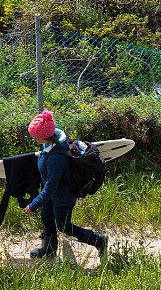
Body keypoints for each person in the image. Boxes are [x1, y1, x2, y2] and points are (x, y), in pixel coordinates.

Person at [24, 109, 108, 258]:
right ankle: (49, 250)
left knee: (64, 226)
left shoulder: (57, 159)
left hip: (63, 196)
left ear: (45, 136)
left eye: (35, 135)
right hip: (54, 194)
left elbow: (51, 185)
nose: (34, 138)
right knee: (46, 216)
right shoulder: (49, 145)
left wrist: (34, 204)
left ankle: (98, 240)